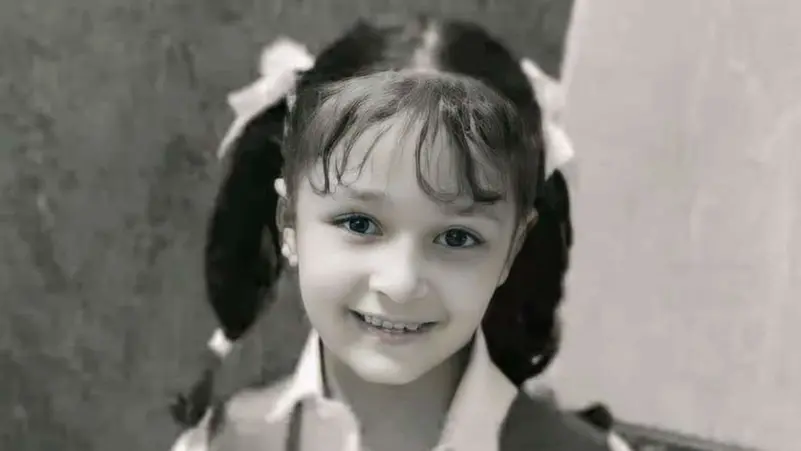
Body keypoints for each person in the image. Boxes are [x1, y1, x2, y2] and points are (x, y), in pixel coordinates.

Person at [170, 14, 601, 451]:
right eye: (359, 224)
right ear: (290, 222)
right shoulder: (221, 444)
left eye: (456, 237)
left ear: (511, 248)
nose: (401, 283)